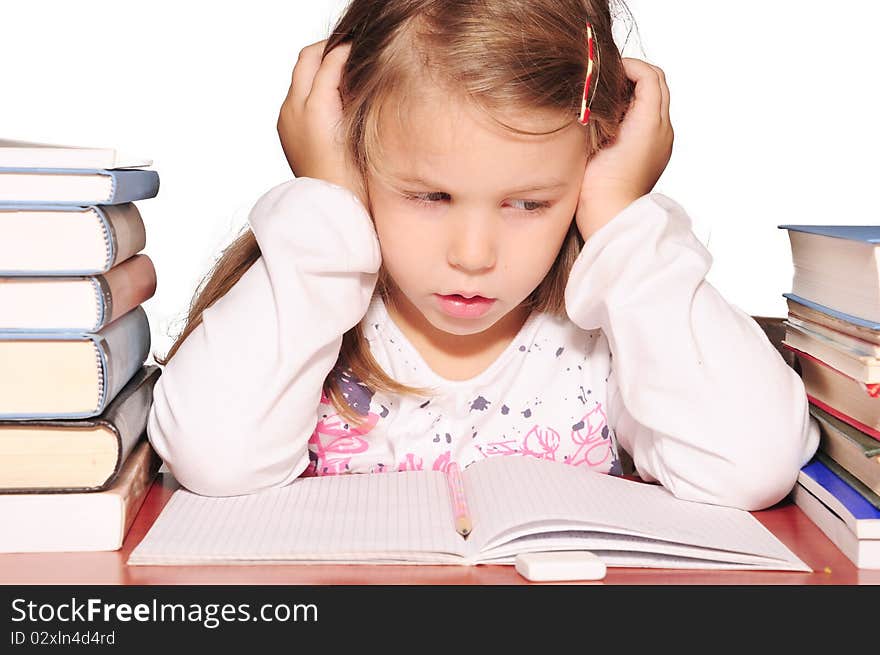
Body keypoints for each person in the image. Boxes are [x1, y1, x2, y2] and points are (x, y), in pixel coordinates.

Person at [147, 0, 818, 510]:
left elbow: (752, 459)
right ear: (352, 155)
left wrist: (621, 217)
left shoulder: (617, 324)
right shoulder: (304, 304)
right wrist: (325, 208)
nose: (473, 254)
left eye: (528, 203)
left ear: (591, 166)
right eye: (430, 195)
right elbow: (213, 457)